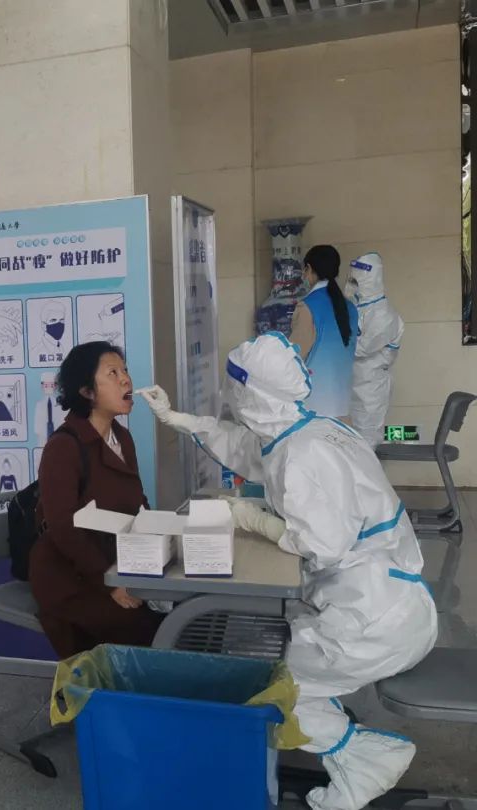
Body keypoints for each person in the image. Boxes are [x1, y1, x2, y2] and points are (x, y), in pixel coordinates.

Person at [138, 333, 437, 810]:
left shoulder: (303, 455)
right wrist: (180, 419)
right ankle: (331, 741)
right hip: (388, 601)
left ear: (251, 393)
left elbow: (324, 543)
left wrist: (254, 519)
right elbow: (252, 448)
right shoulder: (311, 430)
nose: (228, 395)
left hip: (372, 623)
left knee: (258, 676)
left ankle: (363, 758)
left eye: (234, 387)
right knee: (266, 650)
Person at [31, 342, 162, 659]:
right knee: (145, 627)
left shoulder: (122, 438)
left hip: (113, 564)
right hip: (69, 576)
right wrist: (110, 584)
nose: (126, 379)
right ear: (87, 391)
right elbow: (63, 528)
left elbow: (138, 503)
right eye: (112, 373)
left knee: (172, 613)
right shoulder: (64, 446)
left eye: (125, 371)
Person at [287, 245, 359, 419]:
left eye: (304, 270)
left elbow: (295, 355)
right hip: (343, 401)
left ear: (309, 268)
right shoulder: (350, 307)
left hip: (315, 404)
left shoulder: (308, 306)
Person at [347, 252, 404, 447]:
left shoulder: (383, 314)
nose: (352, 286)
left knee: (366, 442)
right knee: (350, 443)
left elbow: (361, 348)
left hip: (370, 390)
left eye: (356, 282)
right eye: (351, 281)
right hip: (352, 385)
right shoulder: (359, 308)